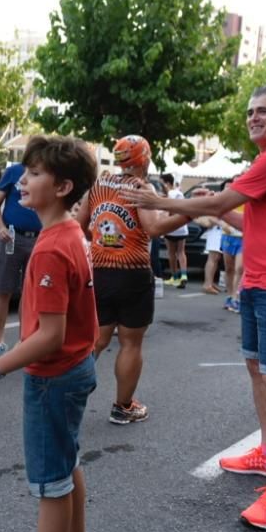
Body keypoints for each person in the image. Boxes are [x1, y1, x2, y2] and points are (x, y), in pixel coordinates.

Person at [131, 85, 266, 530]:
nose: (254, 118)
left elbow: (219, 201)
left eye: (263, 111)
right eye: (250, 112)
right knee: (259, 370)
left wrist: (161, 201)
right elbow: (238, 215)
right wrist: (206, 212)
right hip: (259, 279)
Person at [0, 134, 98, 532]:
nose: (22, 178)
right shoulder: (71, 233)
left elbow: (50, 336)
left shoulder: (51, 246)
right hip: (76, 369)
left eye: (35, 172)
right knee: (67, 462)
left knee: (51, 483)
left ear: (62, 187)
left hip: (54, 377)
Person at [76, 135, 194, 425]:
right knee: (130, 343)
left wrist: (101, 243)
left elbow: (80, 225)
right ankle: (123, 406)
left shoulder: (99, 185)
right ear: (145, 159)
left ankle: (69, 395)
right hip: (134, 273)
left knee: (97, 339)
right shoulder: (141, 188)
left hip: (101, 271)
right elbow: (153, 228)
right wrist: (188, 212)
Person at [0, 161, 43, 359]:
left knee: (29, 292)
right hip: (11, 236)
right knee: (4, 289)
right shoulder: (14, 172)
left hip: (38, 238)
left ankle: (25, 339)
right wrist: (1, 227)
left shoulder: (47, 171)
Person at [160, 173, 189, 288]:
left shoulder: (167, 195)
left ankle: (175, 277)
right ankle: (184, 275)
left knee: (171, 253)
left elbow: (168, 211)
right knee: (181, 252)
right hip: (182, 227)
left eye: (162, 182)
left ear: (167, 183)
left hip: (170, 227)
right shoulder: (180, 193)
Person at [199, 215, 224, 294]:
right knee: (212, 258)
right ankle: (207, 284)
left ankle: (210, 282)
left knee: (216, 258)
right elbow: (211, 217)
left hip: (220, 231)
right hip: (215, 231)